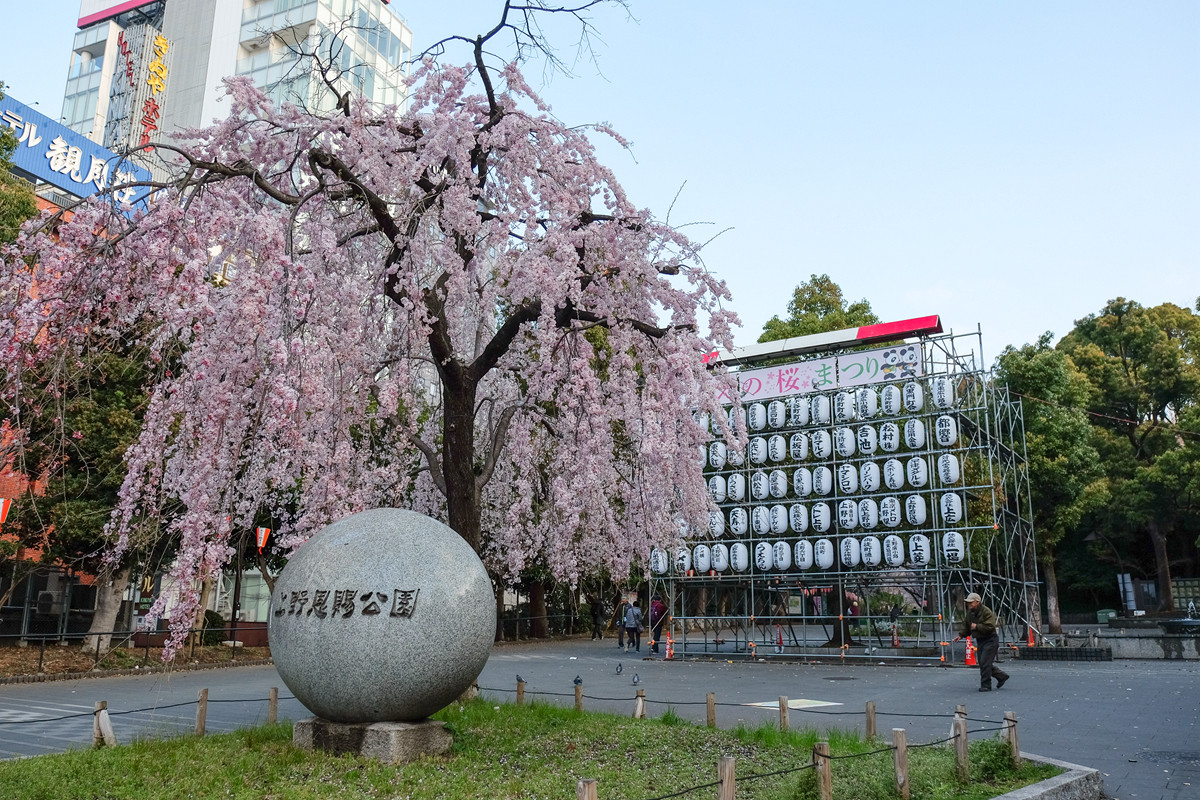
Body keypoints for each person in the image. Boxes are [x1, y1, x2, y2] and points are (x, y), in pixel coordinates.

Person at [955, 592, 1010, 692]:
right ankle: (1001, 676)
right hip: (980, 640)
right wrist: (961, 635)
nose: (969, 604)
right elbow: (967, 626)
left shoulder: (986, 612)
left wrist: (977, 626)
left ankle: (986, 685)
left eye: (971, 602)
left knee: (985, 662)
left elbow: (990, 626)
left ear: (977, 602)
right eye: (968, 603)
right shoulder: (970, 613)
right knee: (983, 663)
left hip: (991, 639)